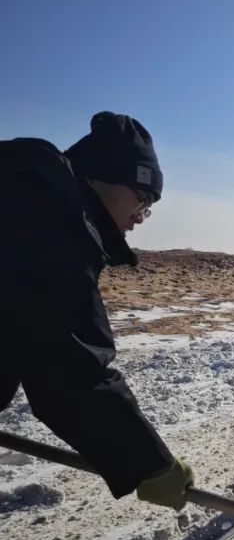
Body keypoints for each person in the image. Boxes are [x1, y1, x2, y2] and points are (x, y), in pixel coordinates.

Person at [0, 112, 194, 511]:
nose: (139, 218)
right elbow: (68, 371)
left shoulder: (26, 195)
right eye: (142, 200)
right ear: (107, 179)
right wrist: (152, 465)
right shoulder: (50, 225)